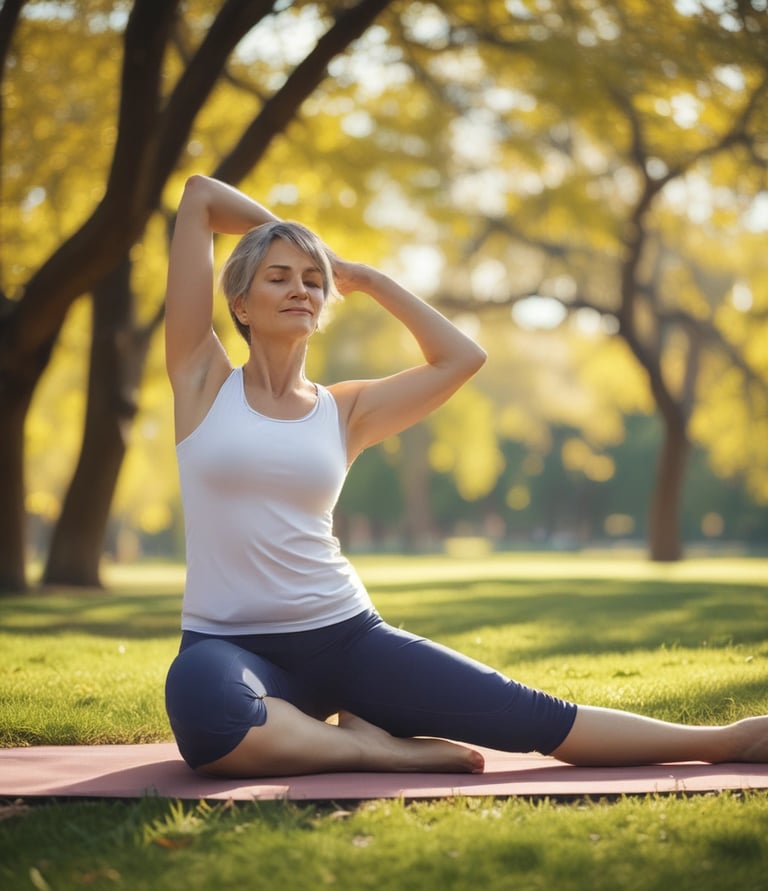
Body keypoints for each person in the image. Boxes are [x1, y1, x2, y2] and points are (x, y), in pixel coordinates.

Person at [163, 174, 767, 778]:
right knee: (202, 707)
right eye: (279, 276)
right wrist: (298, 241)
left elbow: (462, 357)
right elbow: (199, 196)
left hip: (344, 637)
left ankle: (726, 740)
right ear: (239, 304)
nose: (301, 288)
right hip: (228, 645)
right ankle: (374, 747)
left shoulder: (345, 411)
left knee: (530, 717)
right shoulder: (202, 381)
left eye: (313, 281)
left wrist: (362, 276)